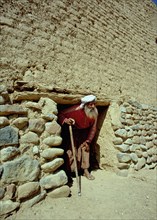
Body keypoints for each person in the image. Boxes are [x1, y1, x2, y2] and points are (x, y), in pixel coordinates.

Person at [58, 94, 98, 180]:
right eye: (91, 104)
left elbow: (93, 128)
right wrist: (66, 120)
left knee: (85, 149)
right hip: (73, 130)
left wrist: (88, 141)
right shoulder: (75, 109)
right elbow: (61, 114)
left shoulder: (95, 112)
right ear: (85, 105)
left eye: (94, 104)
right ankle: (70, 171)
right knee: (71, 150)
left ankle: (85, 170)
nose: (93, 106)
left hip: (85, 133)